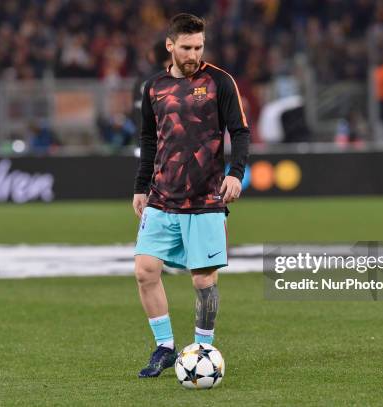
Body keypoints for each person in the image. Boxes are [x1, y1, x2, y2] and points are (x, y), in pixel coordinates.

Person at [132, 13, 250, 378]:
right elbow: (149, 141)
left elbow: (240, 132)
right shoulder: (153, 88)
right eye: (186, 47)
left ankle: (203, 346)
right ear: (170, 45)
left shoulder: (220, 82)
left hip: (206, 198)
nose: (193, 54)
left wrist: (236, 174)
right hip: (162, 196)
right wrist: (140, 186)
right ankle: (164, 347)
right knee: (145, 271)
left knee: (203, 280)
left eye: (199, 46)